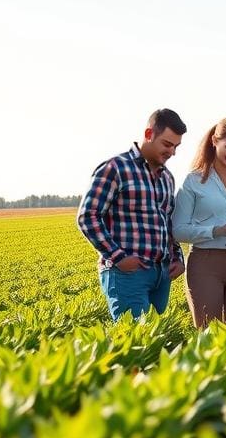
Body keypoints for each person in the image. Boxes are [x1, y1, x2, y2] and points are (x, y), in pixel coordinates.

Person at [77, 108, 187, 320]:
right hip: (127, 274)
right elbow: (88, 216)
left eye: (176, 146)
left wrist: (177, 258)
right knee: (137, 340)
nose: (172, 152)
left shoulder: (167, 178)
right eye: (167, 144)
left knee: (155, 343)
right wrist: (119, 258)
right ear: (148, 135)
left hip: (161, 275)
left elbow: (168, 224)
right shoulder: (115, 168)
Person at [172, 117, 226, 327]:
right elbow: (177, 230)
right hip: (206, 263)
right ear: (214, 141)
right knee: (209, 331)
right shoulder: (193, 181)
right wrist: (215, 230)